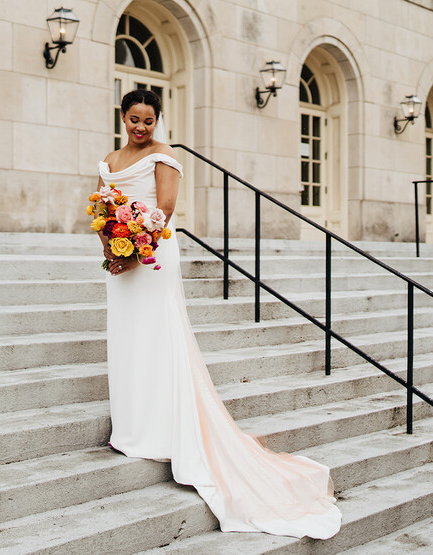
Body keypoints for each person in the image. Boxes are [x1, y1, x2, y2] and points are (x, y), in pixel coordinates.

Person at [96, 89, 341, 539]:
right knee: (128, 339)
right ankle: (132, 426)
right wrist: (112, 249)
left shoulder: (163, 156)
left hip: (151, 259)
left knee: (157, 337)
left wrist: (134, 253)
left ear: (157, 122)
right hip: (121, 263)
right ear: (123, 117)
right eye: (134, 119)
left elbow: (163, 212)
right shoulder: (109, 159)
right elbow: (101, 209)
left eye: (148, 120)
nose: (141, 127)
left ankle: (163, 429)